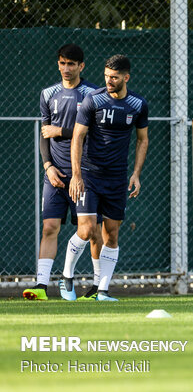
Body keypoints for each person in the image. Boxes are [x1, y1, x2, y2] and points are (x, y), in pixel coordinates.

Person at [64, 54, 149, 302]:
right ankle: (67, 277)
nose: (108, 81)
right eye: (106, 76)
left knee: (111, 233)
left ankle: (102, 291)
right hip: (89, 175)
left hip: (117, 178)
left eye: (113, 77)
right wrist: (76, 174)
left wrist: (136, 174)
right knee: (88, 228)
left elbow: (142, 140)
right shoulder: (93, 99)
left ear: (126, 77)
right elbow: (77, 137)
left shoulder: (138, 104)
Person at [23, 44, 102, 301]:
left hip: (85, 173)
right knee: (49, 227)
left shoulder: (93, 94)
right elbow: (44, 134)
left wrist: (62, 132)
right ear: (58, 64)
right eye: (62, 63)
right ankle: (41, 286)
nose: (66, 69)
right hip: (55, 174)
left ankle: (96, 287)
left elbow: (96, 132)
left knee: (91, 229)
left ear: (82, 66)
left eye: (71, 64)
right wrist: (48, 166)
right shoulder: (48, 94)